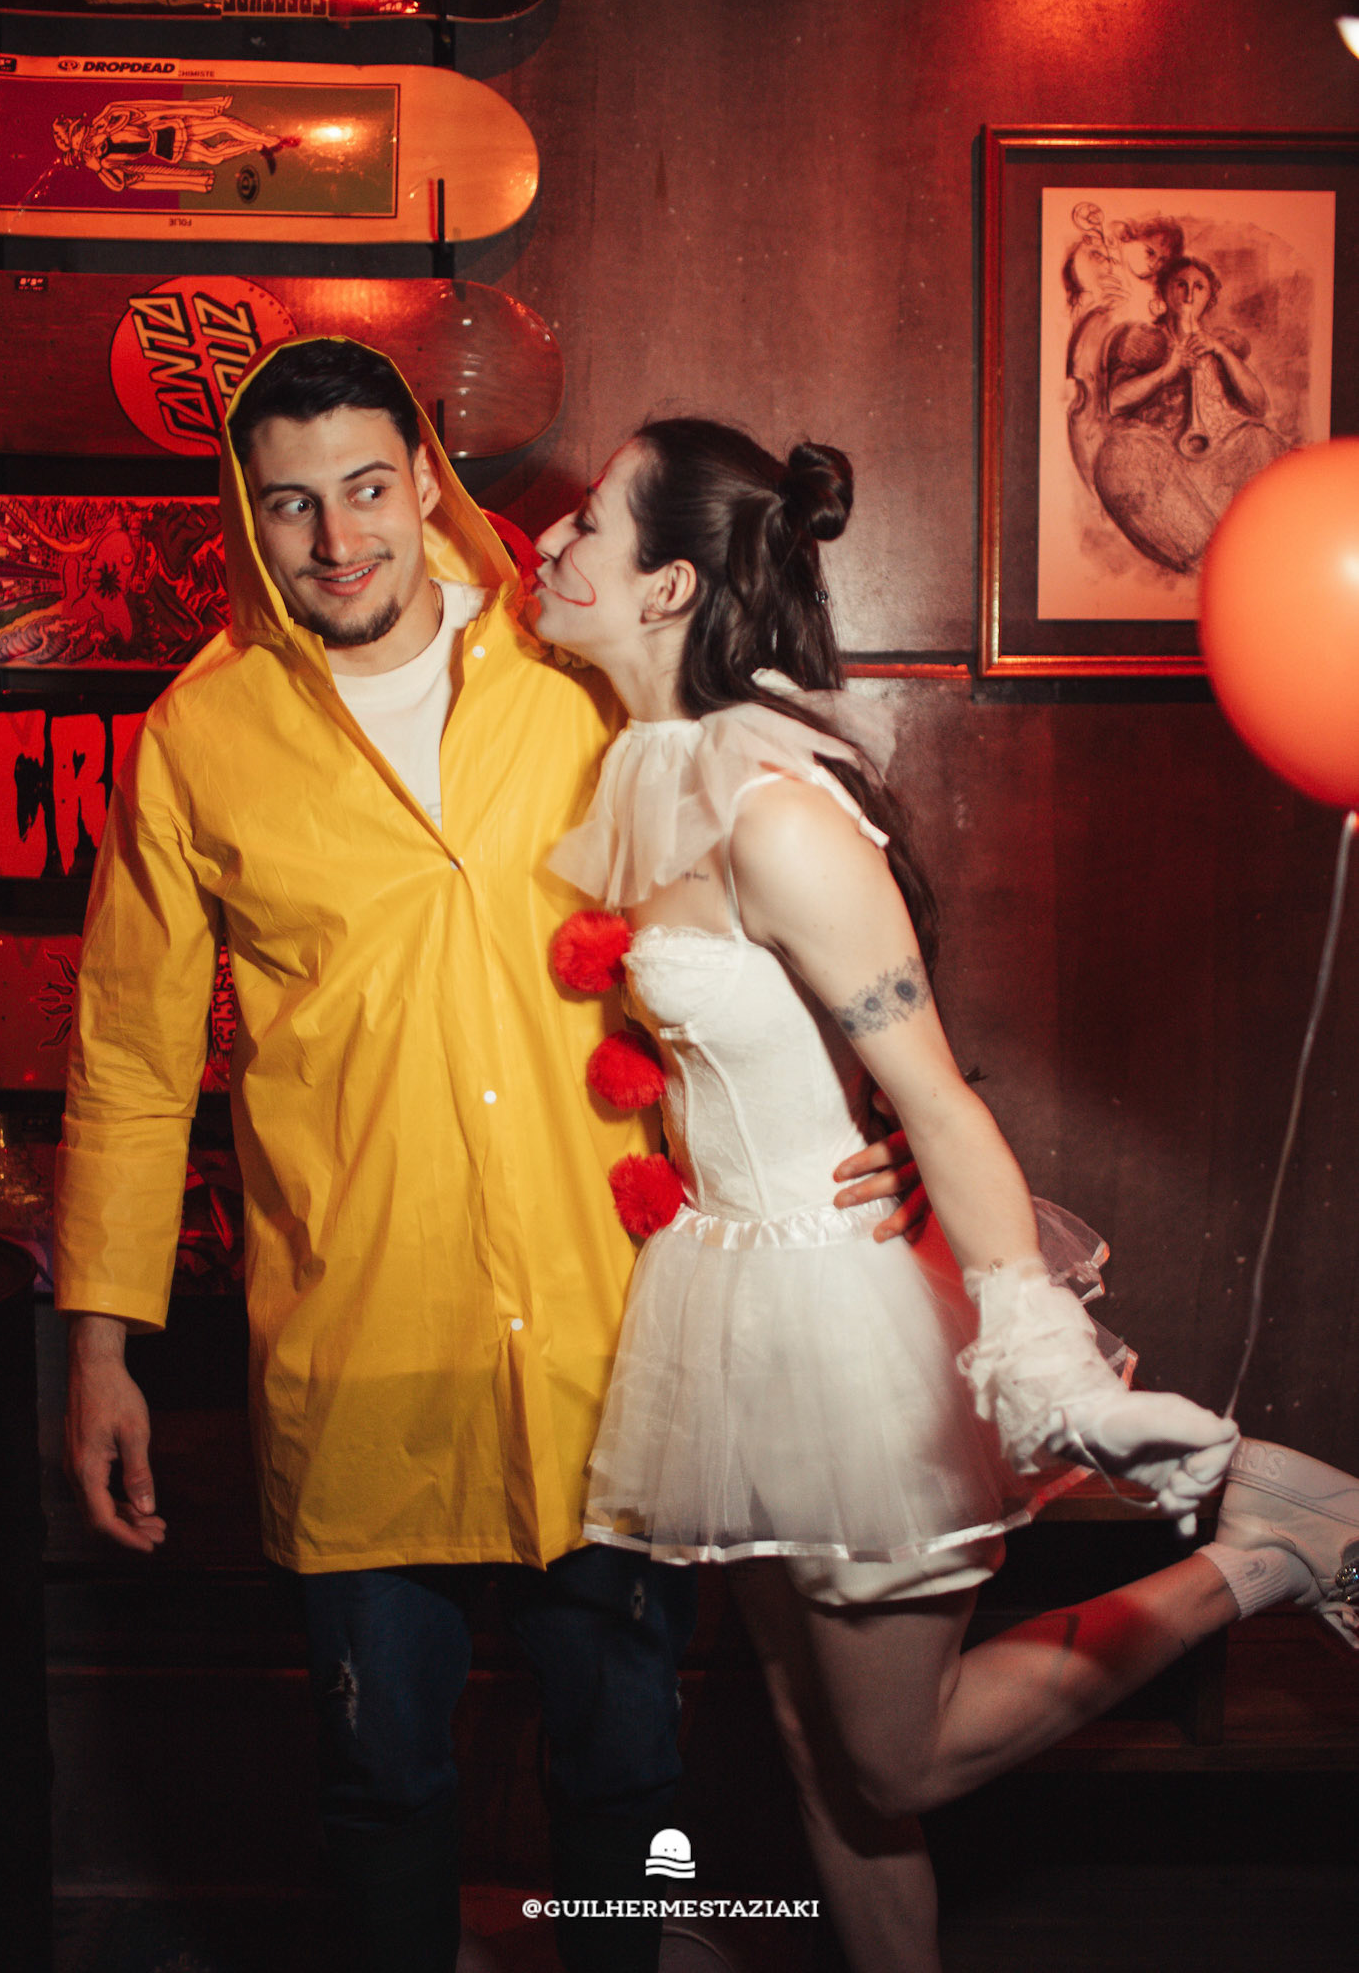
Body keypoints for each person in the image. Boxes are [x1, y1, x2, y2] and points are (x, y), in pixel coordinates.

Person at [58, 340, 870, 1973]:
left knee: (627, 1765)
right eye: (292, 503)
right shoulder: (196, 735)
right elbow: (133, 1055)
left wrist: (869, 1127)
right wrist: (102, 1344)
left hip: (614, 1338)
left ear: (425, 477)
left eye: (368, 486)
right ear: (247, 514)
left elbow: (776, 881)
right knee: (377, 1779)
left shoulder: (574, 661)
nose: (337, 537)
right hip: (360, 1340)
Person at [532, 416, 1359, 1973]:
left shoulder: (773, 810)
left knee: (894, 1761)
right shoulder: (656, 771)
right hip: (731, 1295)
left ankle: (1266, 1556)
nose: (549, 543)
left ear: (668, 588)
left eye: (587, 524)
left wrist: (1045, 1362)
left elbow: (937, 1097)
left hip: (843, 1313)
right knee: (820, 1756)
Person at [1093, 252, 1287, 571]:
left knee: (1262, 442)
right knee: (1119, 456)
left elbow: (1258, 405)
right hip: (1163, 455)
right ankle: (1208, 561)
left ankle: (1251, 557)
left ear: (1210, 297)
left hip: (1222, 455)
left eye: (1199, 287)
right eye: (1180, 285)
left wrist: (1221, 352)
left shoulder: (1222, 343)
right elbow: (1115, 402)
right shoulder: (1144, 340)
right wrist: (1168, 371)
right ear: (1163, 292)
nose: (1188, 295)